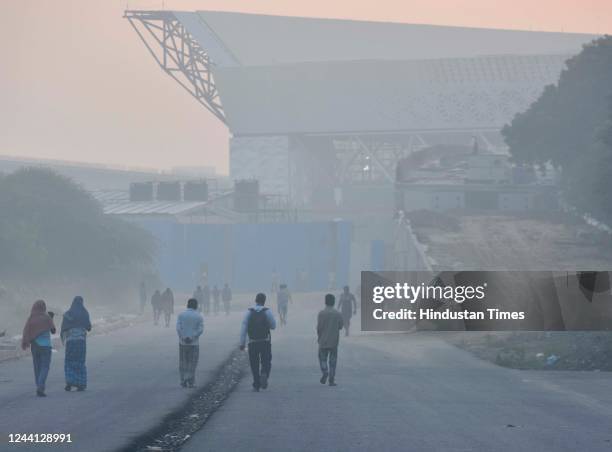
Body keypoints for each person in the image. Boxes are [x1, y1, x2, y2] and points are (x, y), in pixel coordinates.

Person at [239, 293, 276, 392]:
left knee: (254, 363)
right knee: (266, 361)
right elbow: (273, 326)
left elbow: (243, 328)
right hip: (265, 341)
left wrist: (242, 343)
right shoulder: (267, 312)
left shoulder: (249, 312)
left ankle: (256, 384)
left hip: (252, 342)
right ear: (264, 301)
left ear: (255, 300)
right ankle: (264, 373)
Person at [21, 300, 56, 397]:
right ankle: (40, 387)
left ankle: (38, 385)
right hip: (46, 346)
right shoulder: (47, 317)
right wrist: (51, 318)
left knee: (37, 367)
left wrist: (25, 341)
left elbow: (26, 331)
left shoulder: (31, 318)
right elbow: (53, 331)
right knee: (45, 367)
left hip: (35, 345)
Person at [61, 296, 92, 392]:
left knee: (69, 361)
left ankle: (69, 382)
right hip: (81, 341)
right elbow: (88, 327)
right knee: (80, 361)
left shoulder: (67, 314)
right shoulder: (84, 313)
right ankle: (81, 383)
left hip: (70, 342)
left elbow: (63, 328)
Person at [176, 298, 204, 388]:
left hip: (182, 343)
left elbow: (178, 328)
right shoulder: (199, 316)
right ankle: (191, 381)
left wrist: (184, 337)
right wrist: (192, 337)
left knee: (183, 362)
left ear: (187, 305)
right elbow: (200, 330)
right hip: (194, 343)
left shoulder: (181, 315)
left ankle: (183, 380)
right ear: (196, 305)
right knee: (193, 362)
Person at [317, 294, 343, 387]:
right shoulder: (337, 314)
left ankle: (325, 371)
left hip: (323, 340)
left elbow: (319, 328)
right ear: (334, 302)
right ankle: (331, 380)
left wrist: (319, 337)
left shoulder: (321, 313)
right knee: (333, 361)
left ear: (325, 301)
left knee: (322, 358)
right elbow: (340, 326)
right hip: (334, 341)